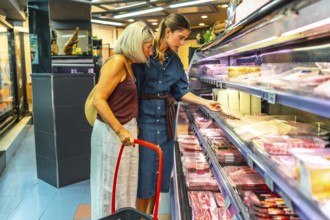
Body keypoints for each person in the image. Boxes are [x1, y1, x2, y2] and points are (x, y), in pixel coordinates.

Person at [133, 13, 221, 215]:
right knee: (144, 177)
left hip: (165, 126)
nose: (182, 42)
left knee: (158, 177)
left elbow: (182, 91)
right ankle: (139, 216)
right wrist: (131, 121)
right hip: (143, 124)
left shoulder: (175, 63)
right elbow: (133, 90)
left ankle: (150, 216)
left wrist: (206, 102)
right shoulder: (144, 55)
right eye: (180, 37)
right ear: (168, 32)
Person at [90, 21, 154, 220]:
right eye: (148, 46)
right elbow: (98, 100)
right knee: (109, 186)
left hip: (125, 132)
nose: (150, 52)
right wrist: (120, 130)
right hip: (111, 134)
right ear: (136, 43)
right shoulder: (116, 62)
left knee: (124, 186)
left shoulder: (129, 64)